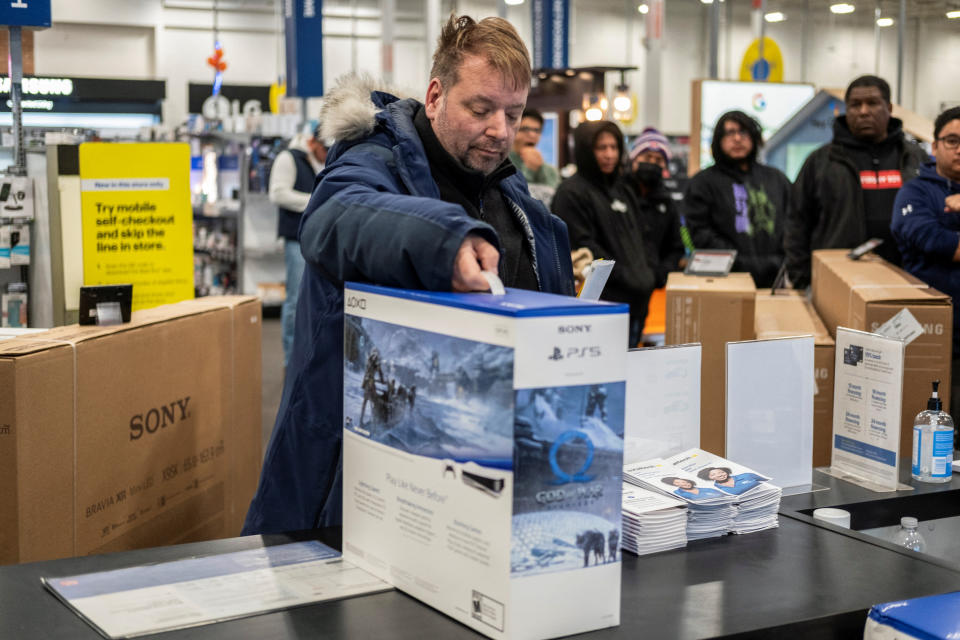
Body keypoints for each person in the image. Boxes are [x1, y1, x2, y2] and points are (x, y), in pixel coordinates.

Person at [242, 15, 575, 535]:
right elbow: (334, 219)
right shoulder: (371, 160)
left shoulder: (515, 199)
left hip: (479, 489)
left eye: (514, 114)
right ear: (437, 96)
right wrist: (445, 242)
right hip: (350, 489)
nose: (500, 130)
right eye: (481, 109)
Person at [785, 75, 929, 287]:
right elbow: (796, 223)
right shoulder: (820, 162)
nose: (863, 111)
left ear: (889, 107)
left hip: (907, 279)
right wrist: (803, 278)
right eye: (855, 105)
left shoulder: (915, 158)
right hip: (839, 282)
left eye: (872, 103)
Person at [552, 120, 656, 346]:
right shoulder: (571, 193)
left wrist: (649, 275)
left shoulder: (623, 189)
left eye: (614, 147)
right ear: (586, 150)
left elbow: (642, 236)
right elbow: (584, 247)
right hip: (602, 305)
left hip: (638, 302)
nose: (609, 154)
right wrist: (628, 277)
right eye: (601, 148)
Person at [890, 106, 960, 417]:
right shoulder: (915, 192)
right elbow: (933, 241)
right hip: (936, 332)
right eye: (952, 141)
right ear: (934, 146)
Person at [682, 111, 790, 288]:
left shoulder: (777, 179)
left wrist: (780, 260)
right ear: (718, 140)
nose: (738, 139)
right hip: (725, 280)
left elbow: (795, 222)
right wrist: (737, 261)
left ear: (754, 137)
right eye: (730, 133)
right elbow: (700, 233)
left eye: (744, 132)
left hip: (776, 277)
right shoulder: (702, 183)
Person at [269, 126, 327, 367]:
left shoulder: (322, 161)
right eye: (324, 148)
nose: (326, 153)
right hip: (296, 238)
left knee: (313, 299)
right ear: (312, 142)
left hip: (319, 237)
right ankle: (290, 361)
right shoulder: (289, 158)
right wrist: (315, 201)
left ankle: (307, 359)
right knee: (294, 299)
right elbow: (278, 194)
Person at [625, 127, 686, 288]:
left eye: (658, 160)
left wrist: (660, 273)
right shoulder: (618, 197)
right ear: (634, 159)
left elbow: (676, 247)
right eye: (647, 157)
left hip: (656, 285)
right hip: (620, 285)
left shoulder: (667, 203)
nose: (652, 163)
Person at [509, 108, 561, 206]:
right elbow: (515, 199)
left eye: (537, 130)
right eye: (525, 129)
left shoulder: (551, 171)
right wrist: (529, 170)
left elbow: (555, 203)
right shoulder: (502, 166)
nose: (532, 135)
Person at [696, 466, 765, 496]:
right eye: (713, 475)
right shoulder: (715, 489)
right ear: (709, 478)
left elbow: (767, 483)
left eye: (721, 472)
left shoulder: (747, 475)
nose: (720, 475)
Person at [660, 476, 726, 501]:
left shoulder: (708, 489)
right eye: (677, 483)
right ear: (674, 485)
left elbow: (724, 496)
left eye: (684, 481)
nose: (684, 484)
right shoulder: (676, 493)